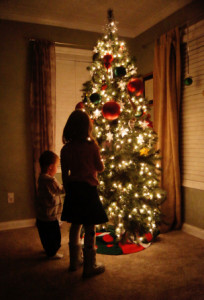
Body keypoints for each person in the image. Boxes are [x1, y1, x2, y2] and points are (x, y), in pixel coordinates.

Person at [61, 109, 108, 278]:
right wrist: (100, 157)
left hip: (73, 190)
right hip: (88, 190)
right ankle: (90, 264)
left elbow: (65, 174)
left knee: (75, 224)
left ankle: (74, 262)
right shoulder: (92, 147)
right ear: (87, 128)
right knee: (90, 226)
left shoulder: (65, 149)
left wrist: (68, 191)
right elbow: (100, 168)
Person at [36, 150, 65, 259]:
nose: (57, 168)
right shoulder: (50, 180)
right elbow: (61, 190)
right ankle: (52, 252)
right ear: (50, 167)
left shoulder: (41, 177)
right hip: (50, 216)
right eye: (57, 166)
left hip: (42, 216)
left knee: (45, 236)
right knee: (54, 237)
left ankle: (48, 249)